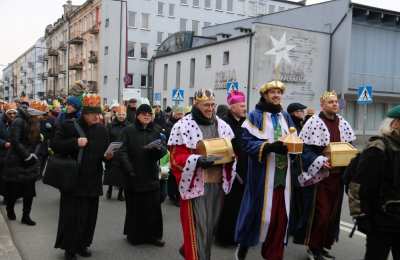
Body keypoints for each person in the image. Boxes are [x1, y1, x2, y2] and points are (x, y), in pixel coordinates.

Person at [168, 89, 236, 260]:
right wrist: (197, 160)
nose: (210, 108)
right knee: (198, 228)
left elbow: (231, 149)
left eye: (213, 104)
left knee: (209, 228)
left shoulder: (222, 125)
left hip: (217, 184)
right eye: (206, 105)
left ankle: (192, 251)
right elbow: (176, 158)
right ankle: (195, 255)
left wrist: (233, 156)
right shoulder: (182, 126)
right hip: (195, 185)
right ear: (196, 104)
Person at [234, 81, 294, 260]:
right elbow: (246, 143)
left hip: (284, 177)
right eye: (272, 92)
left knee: (280, 219)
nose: (276, 95)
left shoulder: (285, 116)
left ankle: (273, 255)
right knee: (256, 215)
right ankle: (243, 245)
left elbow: (294, 138)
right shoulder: (255, 116)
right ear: (265, 95)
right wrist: (269, 147)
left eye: (279, 92)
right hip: (262, 177)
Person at [294, 91, 355, 260]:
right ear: (323, 105)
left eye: (336, 102)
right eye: (331, 102)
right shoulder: (313, 123)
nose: (335, 104)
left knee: (332, 215)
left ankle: (323, 246)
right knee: (319, 214)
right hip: (319, 178)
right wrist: (319, 160)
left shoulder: (343, 123)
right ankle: (313, 248)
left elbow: (349, 146)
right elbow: (304, 150)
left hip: (337, 177)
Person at [51, 94, 110, 260]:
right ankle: (69, 249)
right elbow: (55, 146)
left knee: (89, 217)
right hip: (73, 180)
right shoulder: (69, 126)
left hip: (93, 180)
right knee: (72, 217)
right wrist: (74, 143)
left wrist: (109, 156)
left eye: (98, 114)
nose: (97, 117)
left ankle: (83, 244)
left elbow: (103, 154)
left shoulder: (102, 130)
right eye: (93, 114)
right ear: (84, 113)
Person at [120, 104, 167, 246]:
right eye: (144, 113)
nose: (147, 116)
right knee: (135, 207)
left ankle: (154, 236)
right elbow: (122, 151)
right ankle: (134, 235)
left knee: (153, 207)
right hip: (134, 174)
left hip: (151, 173)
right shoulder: (128, 130)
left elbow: (163, 150)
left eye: (149, 114)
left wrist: (158, 149)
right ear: (138, 115)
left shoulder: (156, 130)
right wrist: (129, 169)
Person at [356, 106, 400, 260]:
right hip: (381, 220)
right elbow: (360, 185)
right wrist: (361, 216)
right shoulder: (377, 149)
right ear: (394, 124)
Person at [2, 102, 46, 226]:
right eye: (38, 115)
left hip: (30, 162)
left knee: (29, 192)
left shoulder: (36, 121)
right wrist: (26, 156)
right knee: (13, 191)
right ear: (32, 113)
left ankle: (26, 216)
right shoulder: (18, 121)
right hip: (16, 161)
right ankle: (10, 208)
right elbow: (14, 141)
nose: (40, 117)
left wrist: (34, 155)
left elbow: (38, 141)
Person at [216, 90, 248, 246]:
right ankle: (224, 237)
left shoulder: (245, 122)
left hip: (244, 169)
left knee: (240, 205)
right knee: (229, 205)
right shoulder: (224, 123)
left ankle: (237, 234)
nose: (244, 108)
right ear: (233, 107)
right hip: (229, 168)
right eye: (241, 105)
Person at [104, 105, 129, 201]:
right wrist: (107, 151)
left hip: (123, 152)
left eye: (123, 114)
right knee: (111, 173)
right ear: (116, 114)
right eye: (120, 114)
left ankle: (120, 193)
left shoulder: (129, 126)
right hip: (112, 152)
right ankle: (109, 189)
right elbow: (107, 138)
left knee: (123, 174)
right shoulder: (110, 125)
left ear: (125, 115)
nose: (121, 116)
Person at [165, 105, 185, 206]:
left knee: (178, 175)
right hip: (170, 151)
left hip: (180, 152)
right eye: (178, 114)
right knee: (172, 176)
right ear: (174, 113)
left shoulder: (185, 124)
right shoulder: (169, 124)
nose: (180, 116)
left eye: (181, 114)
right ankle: (172, 194)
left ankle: (177, 196)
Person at [0, 103, 18, 204]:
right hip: (2, 154)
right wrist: (4, 143)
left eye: (14, 113)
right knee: (3, 177)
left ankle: (11, 195)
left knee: (12, 176)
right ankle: (6, 196)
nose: (12, 115)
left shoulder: (17, 122)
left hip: (13, 154)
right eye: (10, 113)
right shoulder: (0, 122)